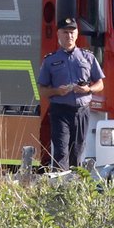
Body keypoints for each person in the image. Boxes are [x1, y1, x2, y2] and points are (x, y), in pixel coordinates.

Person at [38, 17, 105, 170]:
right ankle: (60, 187)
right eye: (65, 32)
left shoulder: (87, 57)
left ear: (77, 34)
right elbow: (42, 90)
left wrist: (88, 89)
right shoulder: (50, 60)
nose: (69, 36)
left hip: (82, 111)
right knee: (61, 151)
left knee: (77, 151)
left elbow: (100, 84)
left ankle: (74, 187)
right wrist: (57, 90)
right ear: (58, 35)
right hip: (60, 111)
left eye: (72, 32)